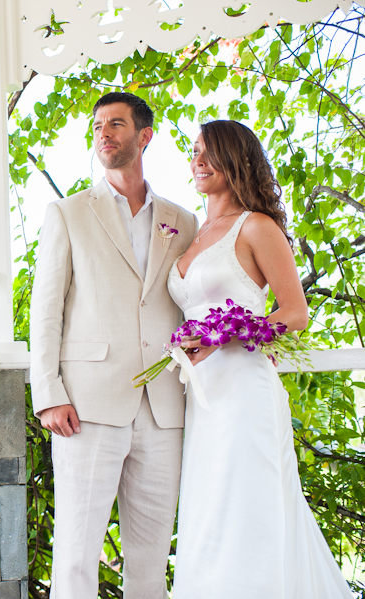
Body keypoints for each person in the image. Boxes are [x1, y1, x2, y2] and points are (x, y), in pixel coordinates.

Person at [168, 120, 353, 597]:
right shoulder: (193, 230)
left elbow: (294, 312)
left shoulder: (256, 225)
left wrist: (221, 337)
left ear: (236, 160)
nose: (198, 162)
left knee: (246, 509)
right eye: (193, 153)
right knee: (208, 513)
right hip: (202, 397)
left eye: (209, 153)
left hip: (244, 390)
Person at [30, 92, 198, 598]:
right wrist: (48, 392)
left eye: (117, 124)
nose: (105, 133)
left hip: (164, 407)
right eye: (99, 125)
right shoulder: (68, 213)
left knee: (150, 557)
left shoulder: (182, 222)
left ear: (145, 136)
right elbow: (46, 309)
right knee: (77, 552)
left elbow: (193, 300)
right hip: (87, 404)